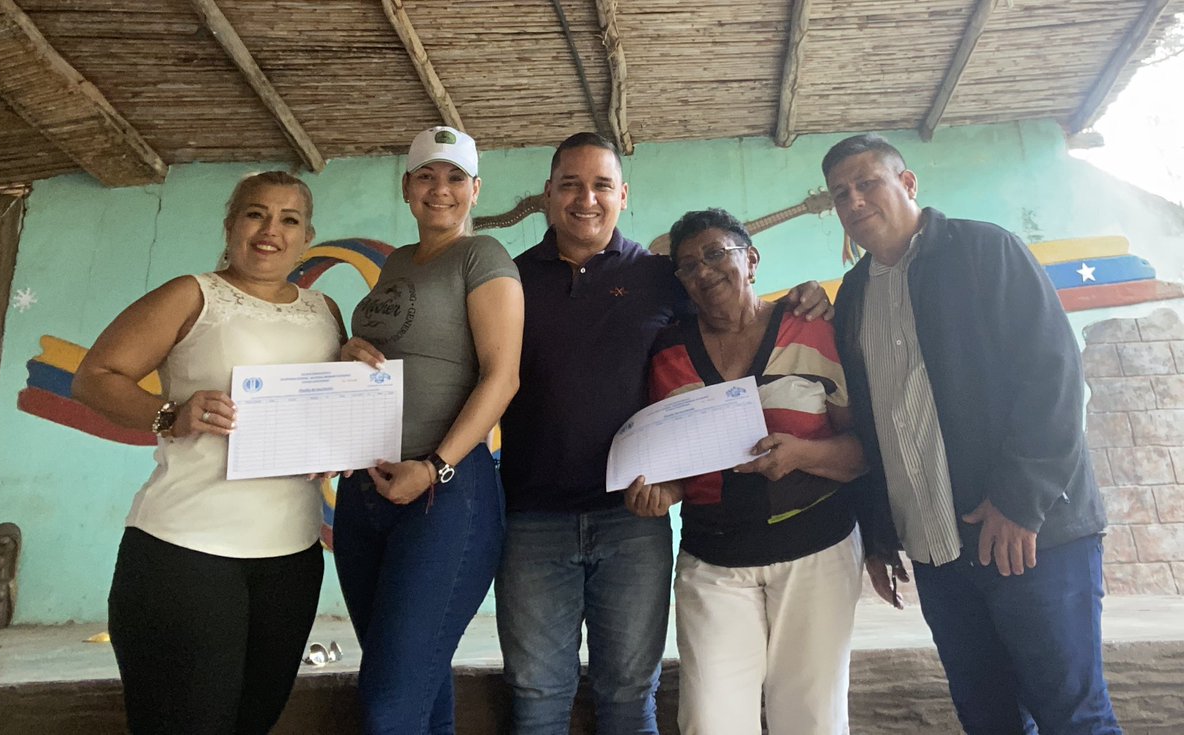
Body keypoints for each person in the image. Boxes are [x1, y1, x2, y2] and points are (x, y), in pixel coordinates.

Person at [495, 132, 833, 735]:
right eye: (570, 184)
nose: (586, 199)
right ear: (547, 194)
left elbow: (734, 308)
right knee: (536, 695)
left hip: (634, 520)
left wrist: (808, 296)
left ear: (623, 195)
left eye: (601, 185)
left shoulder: (661, 278)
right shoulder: (508, 282)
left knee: (628, 694)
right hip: (531, 521)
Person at [823, 133, 1119, 734]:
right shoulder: (852, 297)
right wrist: (879, 536)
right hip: (937, 552)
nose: (853, 202)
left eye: (867, 183)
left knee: (1072, 715)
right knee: (987, 719)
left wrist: (1020, 501)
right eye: (840, 194)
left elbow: (1054, 376)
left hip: (1030, 537)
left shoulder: (987, 251)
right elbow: (877, 426)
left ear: (907, 184)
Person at [72, 171, 345, 734]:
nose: (271, 230)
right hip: (186, 550)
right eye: (255, 214)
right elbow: (95, 377)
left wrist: (340, 437)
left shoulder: (326, 310)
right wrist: (171, 415)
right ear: (230, 225)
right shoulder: (192, 293)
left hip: (293, 554)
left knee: (254, 719)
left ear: (306, 235)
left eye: (289, 219)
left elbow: (327, 408)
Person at [625, 208, 865, 734]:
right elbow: (673, 465)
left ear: (751, 260)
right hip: (715, 563)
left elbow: (863, 451)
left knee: (812, 720)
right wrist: (661, 491)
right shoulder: (668, 352)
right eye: (687, 265)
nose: (704, 271)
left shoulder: (813, 330)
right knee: (710, 722)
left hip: (817, 554)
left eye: (716, 254)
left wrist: (802, 455)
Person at [333, 125, 523, 734]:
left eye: (454, 178)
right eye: (426, 176)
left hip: (444, 492)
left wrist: (435, 466)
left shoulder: (483, 256)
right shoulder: (395, 261)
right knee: (416, 678)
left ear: (475, 190)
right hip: (367, 492)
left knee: (389, 704)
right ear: (407, 188)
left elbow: (502, 378)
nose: (439, 190)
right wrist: (347, 352)